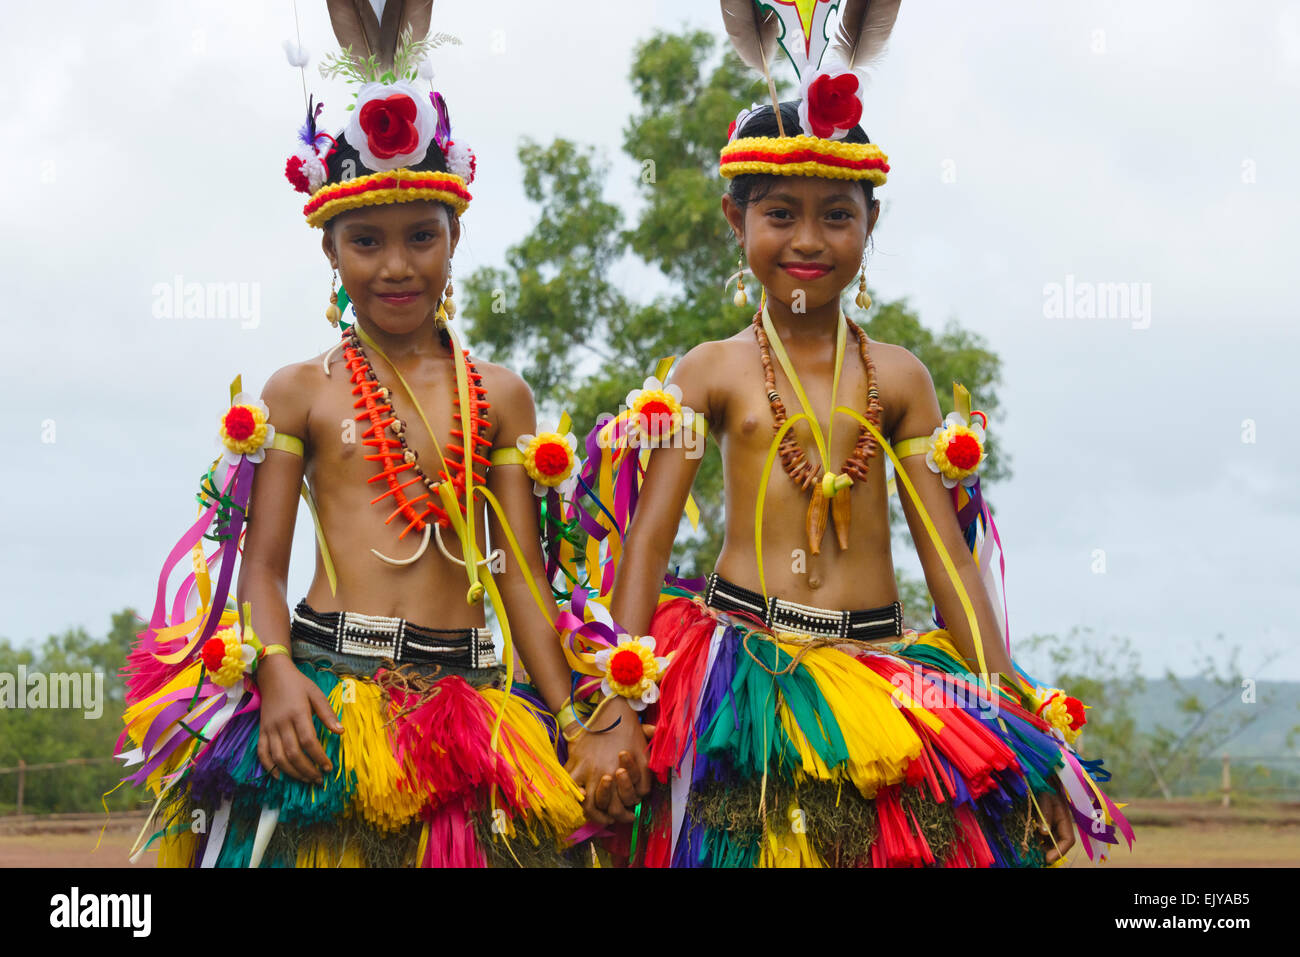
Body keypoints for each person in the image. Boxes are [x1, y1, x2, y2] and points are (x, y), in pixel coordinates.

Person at [571, 0, 1132, 866]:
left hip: (886, 678)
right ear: (735, 221)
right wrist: (617, 702)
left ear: (873, 225)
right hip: (745, 678)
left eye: (838, 214)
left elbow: (948, 559)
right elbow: (647, 541)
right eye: (779, 214)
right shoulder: (709, 371)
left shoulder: (898, 377)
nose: (808, 238)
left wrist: (1015, 722)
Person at [114, 3, 645, 867]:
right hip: (330, 694)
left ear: (455, 236)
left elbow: (523, 584)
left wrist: (577, 714)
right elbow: (264, 565)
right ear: (329, 249)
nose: (395, 266)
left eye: (419, 238)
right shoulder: (301, 393)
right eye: (365, 241)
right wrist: (276, 668)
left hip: (472, 702)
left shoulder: (500, 396)